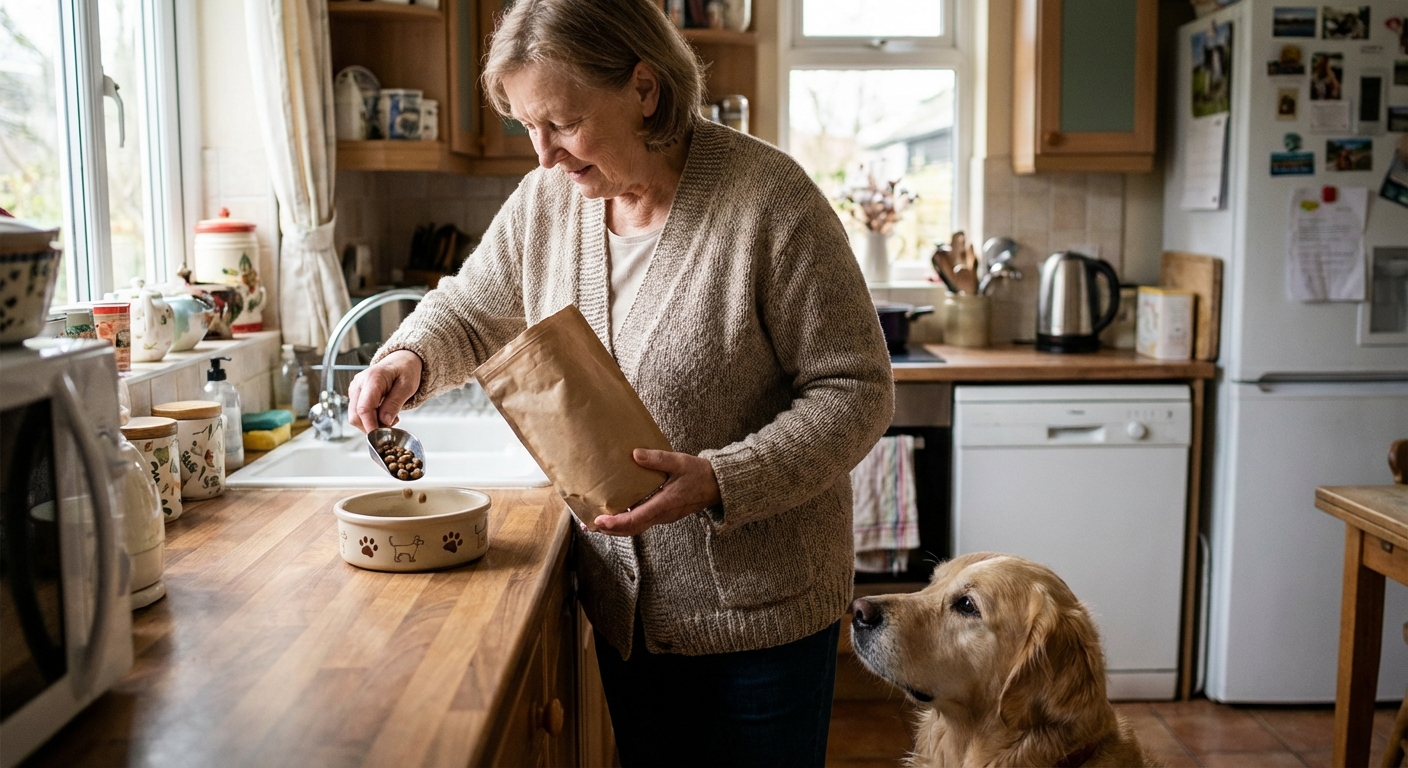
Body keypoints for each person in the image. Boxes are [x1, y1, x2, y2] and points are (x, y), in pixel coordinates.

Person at [346, 0, 892, 763]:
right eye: (526, 126)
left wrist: (721, 479)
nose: (544, 155)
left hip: (759, 620)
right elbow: (471, 310)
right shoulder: (549, 201)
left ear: (644, 88)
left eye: (563, 124)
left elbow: (857, 390)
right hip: (627, 614)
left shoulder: (769, 201)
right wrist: (407, 359)